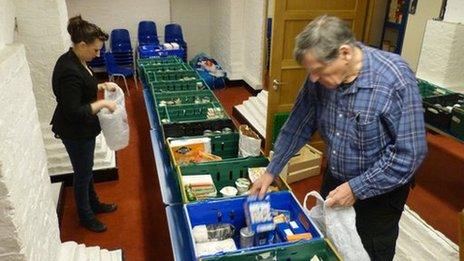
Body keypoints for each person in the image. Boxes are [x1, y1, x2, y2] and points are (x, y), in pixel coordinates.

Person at [250, 15, 427, 260]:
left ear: (345, 53)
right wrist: (271, 170)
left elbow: (410, 154)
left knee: (369, 251)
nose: (312, 78)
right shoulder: (319, 78)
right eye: (310, 71)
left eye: (318, 70)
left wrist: (357, 188)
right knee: (330, 244)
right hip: (335, 178)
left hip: (380, 193)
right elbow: (298, 124)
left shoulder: (394, 79)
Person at [51, 15, 118, 233]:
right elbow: (74, 110)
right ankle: (85, 216)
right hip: (75, 130)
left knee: (87, 170)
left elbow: (83, 87)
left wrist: (100, 86)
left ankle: (94, 204)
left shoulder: (77, 60)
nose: (97, 54)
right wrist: (103, 103)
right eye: (95, 50)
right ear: (81, 45)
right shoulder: (68, 70)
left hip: (82, 127)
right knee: (82, 174)